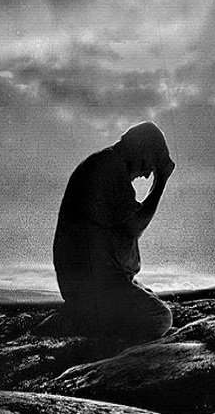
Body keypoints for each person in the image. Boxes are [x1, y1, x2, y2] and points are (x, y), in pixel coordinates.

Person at [38, 121, 175, 342]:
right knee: (158, 317)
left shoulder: (108, 165)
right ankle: (86, 324)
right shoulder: (108, 168)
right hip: (96, 286)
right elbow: (134, 225)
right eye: (149, 166)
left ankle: (82, 317)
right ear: (142, 149)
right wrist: (161, 181)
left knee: (150, 300)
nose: (146, 175)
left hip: (99, 282)